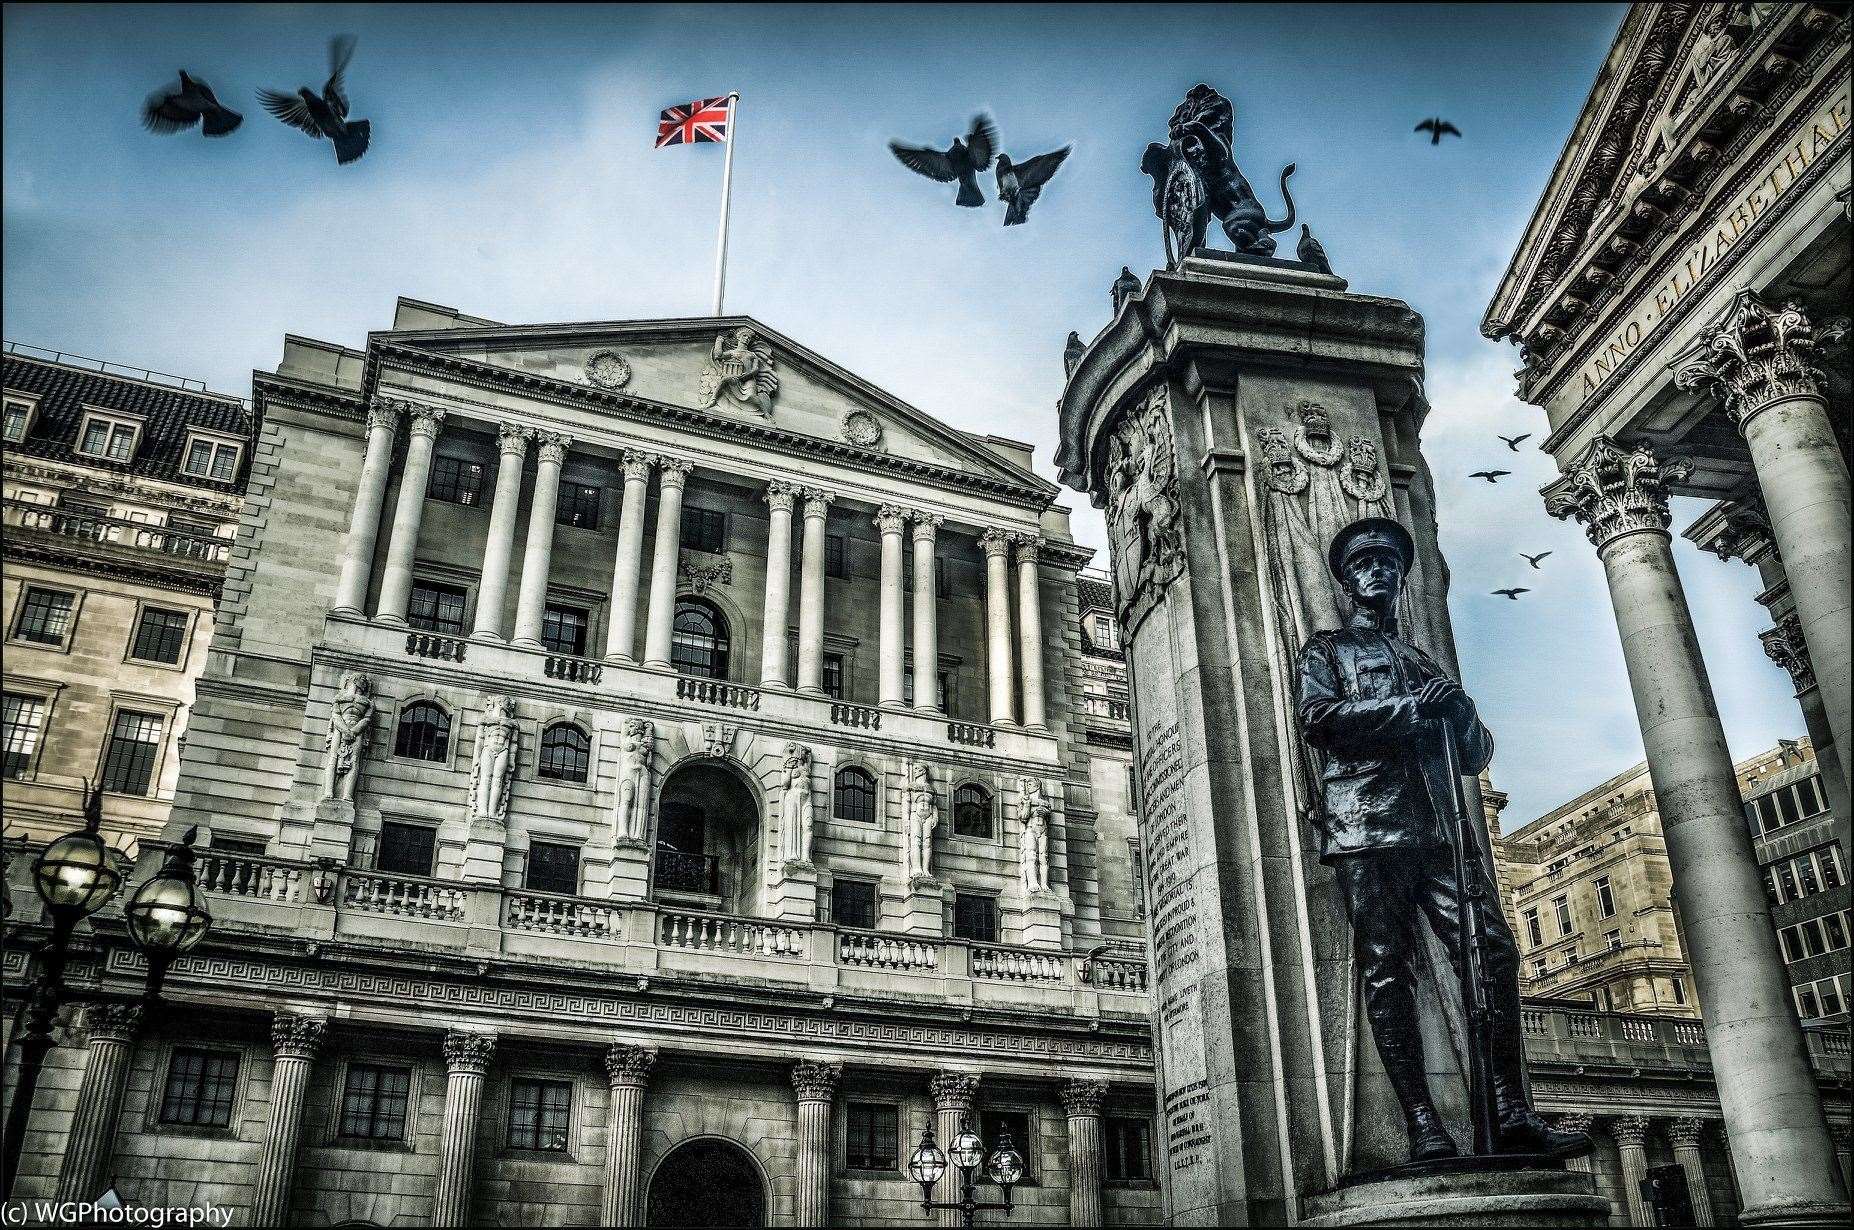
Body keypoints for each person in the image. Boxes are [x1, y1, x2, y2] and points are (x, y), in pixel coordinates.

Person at [1296, 517, 1591, 1164]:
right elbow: (1318, 719)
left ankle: (1511, 1108)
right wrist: (1412, 712)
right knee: (1385, 967)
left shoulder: (1425, 662)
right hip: (1366, 823)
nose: (1377, 573)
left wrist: (1457, 711)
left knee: (1492, 952)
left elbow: (1475, 754)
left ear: (1400, 580)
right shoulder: (1329, 650)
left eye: (1388, 566)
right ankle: (1423, 1120)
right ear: (1347, 581)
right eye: (1365, 566)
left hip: (1438, 829)